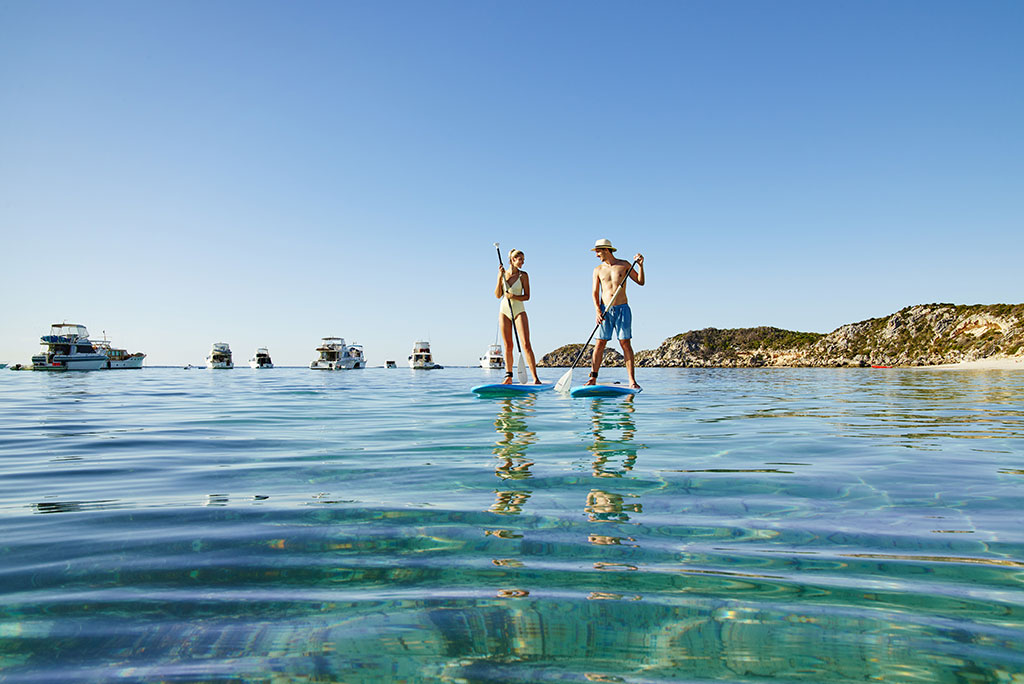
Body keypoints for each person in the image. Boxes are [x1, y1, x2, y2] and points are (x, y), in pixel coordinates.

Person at [586, 238, 645, 389]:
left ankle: (632, 380)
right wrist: (597, 310)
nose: (596, 255)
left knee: (625, 343)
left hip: (622, 309)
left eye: (598, 251)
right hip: (605, 310)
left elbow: (640, 281)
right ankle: (593, 378)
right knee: (600, 343)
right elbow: (594, 292)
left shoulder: (624, 265)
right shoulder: (597, 270)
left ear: (606, 250)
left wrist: (641, 266)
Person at [495, 248, 542, 384]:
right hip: (504, 310)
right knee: (508, 345)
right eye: (520, 259)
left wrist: (513, 296)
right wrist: (499, 278)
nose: (522, 262)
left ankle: (535, 378)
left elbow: (527, 296)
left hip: (518, 311)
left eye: (523, 260)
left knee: (526, 344)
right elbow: (498, 295)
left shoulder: (524, 275)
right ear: (512, 260)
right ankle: (508, 376)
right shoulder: (503, 274)